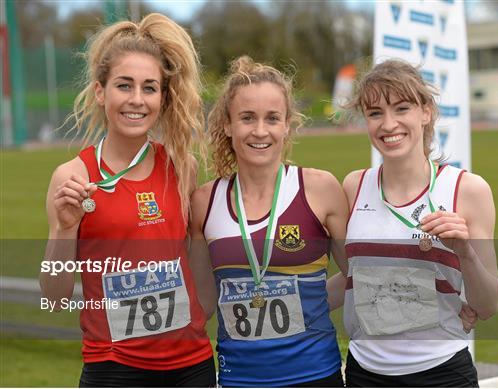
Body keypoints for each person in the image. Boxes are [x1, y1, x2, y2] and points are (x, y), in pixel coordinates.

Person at [40, 13, 215, 387]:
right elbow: (54, 297)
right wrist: (66, 227)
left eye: (150, 88)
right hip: (114, 367)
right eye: (124, 85)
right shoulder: (73, 177)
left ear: (163, 97)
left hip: (192, 365)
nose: (137, 100)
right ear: (101, 91)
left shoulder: (181, 166)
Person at [189, 56, 349, 387]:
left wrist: (310, 298)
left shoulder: (320, 189)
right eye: (247, 118)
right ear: (228, 125)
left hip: (316, 376)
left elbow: (360, 274)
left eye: (272, 118)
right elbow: (202, 304)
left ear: (287, 124)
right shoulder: (205, 201)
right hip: (239, 380)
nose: (260, 131)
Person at [342, 59, 498, 387]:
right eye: (375, 113)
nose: (389, 124)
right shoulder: (352, 186)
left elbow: (488, 304)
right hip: (364, 373)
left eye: (401, 108)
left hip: (442, 373)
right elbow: (351, 277)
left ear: (426, 112)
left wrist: (466, 255)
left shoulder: (468, 190)